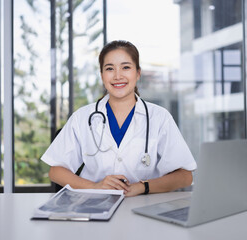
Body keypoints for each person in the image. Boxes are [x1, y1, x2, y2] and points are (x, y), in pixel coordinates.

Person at [41, 40, 196, 197]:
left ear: (137, 73)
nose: (118, 76)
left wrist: (142, 187)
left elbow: (184, 176)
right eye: (109, 69)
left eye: (126, 67)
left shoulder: (160, 117)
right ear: (102, 75)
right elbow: (56, 171)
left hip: (142, 206)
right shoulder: (82, 117)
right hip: (93, 206)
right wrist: (95, 186)